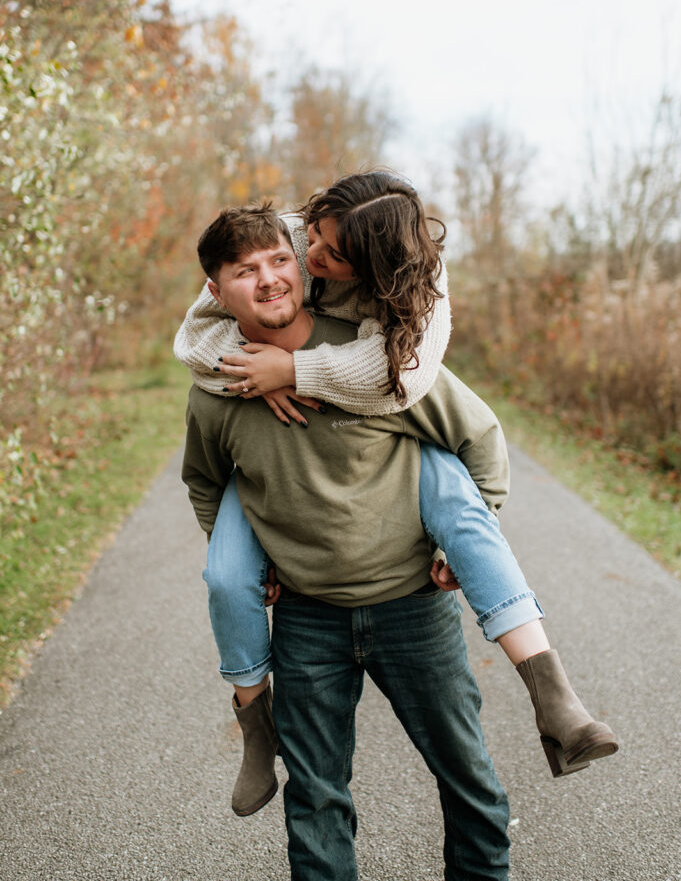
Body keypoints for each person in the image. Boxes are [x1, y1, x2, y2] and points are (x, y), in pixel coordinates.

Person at [174, 174, 618, 816]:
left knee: (457, 497)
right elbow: (203, 338)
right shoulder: (295, 244)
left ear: (370, 274)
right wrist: (246, 364)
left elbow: (416, 386)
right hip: (308, 599)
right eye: (313, 242)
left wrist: (296, 369)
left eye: (323, 257)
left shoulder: (402, 322)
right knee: (224, 574)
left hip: (404, 535)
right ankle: (254, 720)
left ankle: (553, 694)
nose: (305, 261)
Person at [181, 203, 513, 879]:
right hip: (306, 623)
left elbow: (477, 436)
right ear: (215, 294)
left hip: (413, 608)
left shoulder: (371, 352)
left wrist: (467, 537)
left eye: (279, 261)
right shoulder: (219, 386)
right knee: (315, 801)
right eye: (245, 272)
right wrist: (247, 562)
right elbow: (205, 484)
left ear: (300, 263)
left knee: (469, 783)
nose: (270, 279)